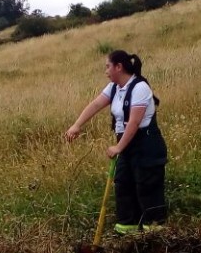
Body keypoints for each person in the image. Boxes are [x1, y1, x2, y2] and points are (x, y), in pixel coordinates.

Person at [65, 50, 168, 234]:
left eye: (108, 66)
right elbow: (96, 104)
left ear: (118, 67)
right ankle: (127, 232)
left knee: (146, 187)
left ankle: (154, 235)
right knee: (123, 184)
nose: (106, 71)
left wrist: (119, 147)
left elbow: (134, 123)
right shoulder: (114, 88)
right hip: (125, 143)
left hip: (146, 144)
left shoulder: (140, 88)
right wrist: (77, 125)